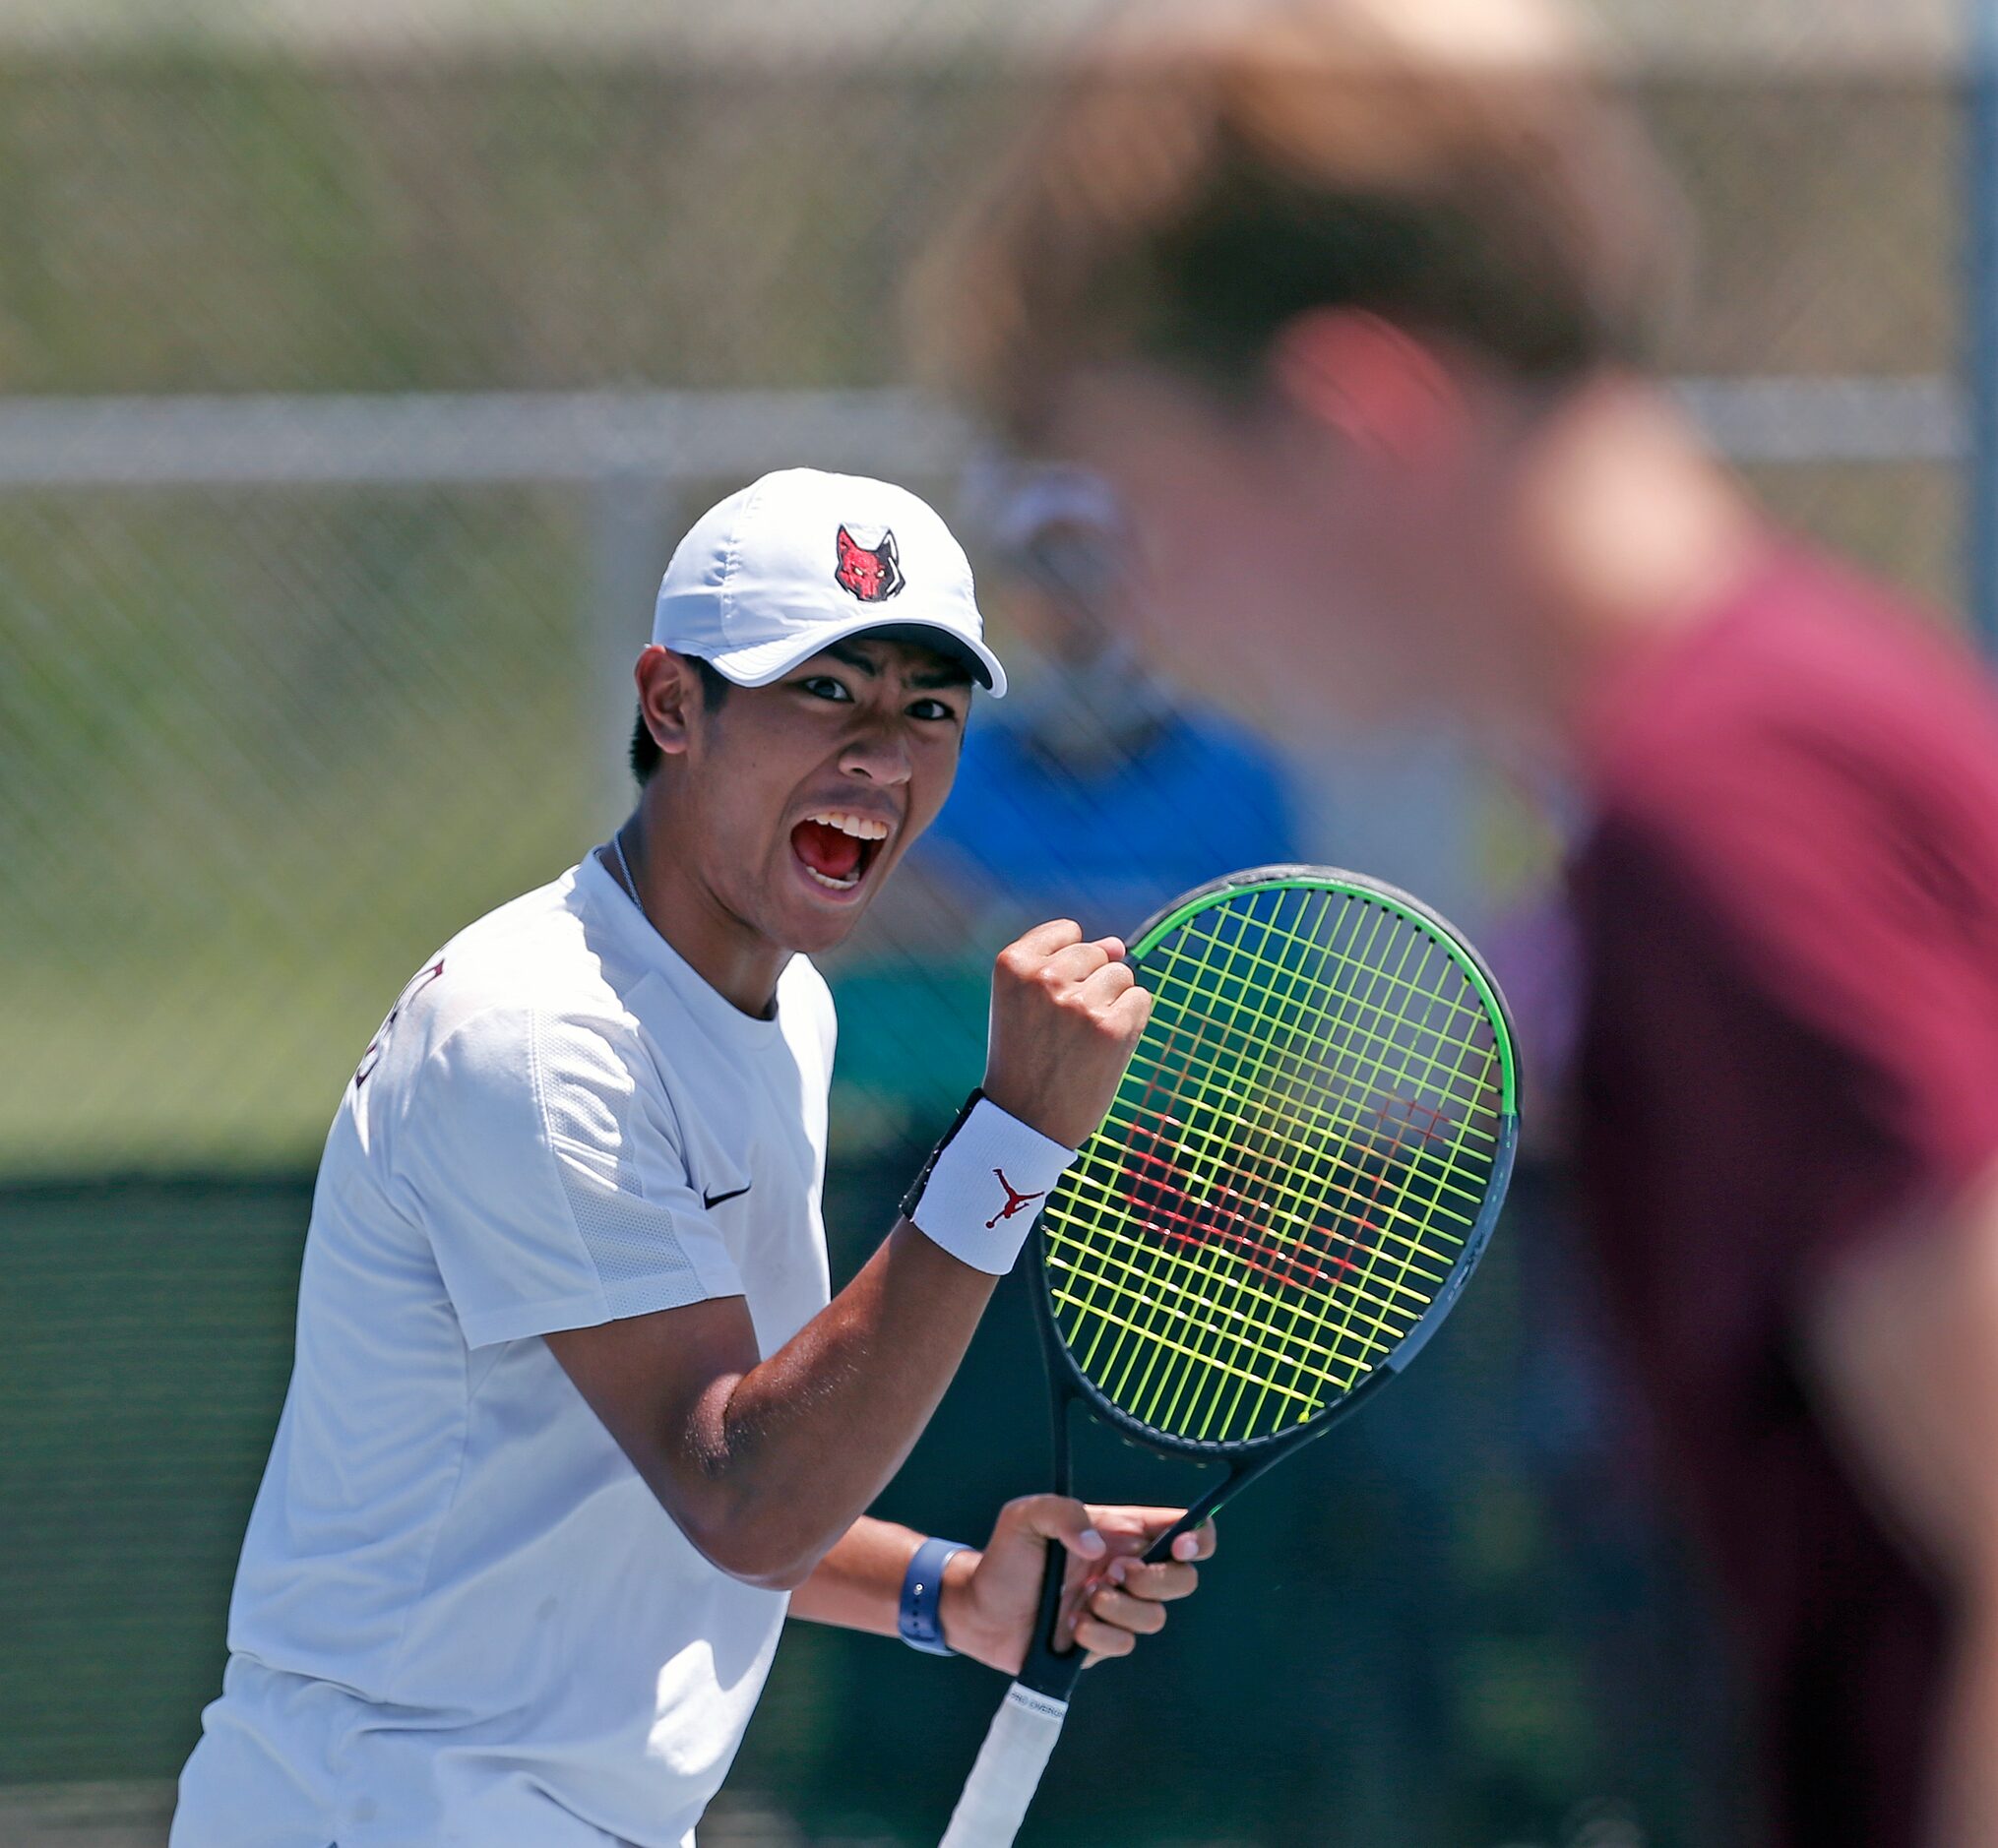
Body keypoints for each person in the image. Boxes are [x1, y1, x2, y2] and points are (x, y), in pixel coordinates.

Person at [920, 6, 1998, 1845]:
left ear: (1357, 419)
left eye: (1156, 509)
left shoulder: (1729, 803)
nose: (1153, 606)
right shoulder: (1743, 752)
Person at [170, 467, 1213, 1848]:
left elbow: (711, 1464)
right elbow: (742, 1496)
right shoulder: (539, 1038)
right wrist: (1012, 1140)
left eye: (928, 709)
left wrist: (946, 1591)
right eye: (825, 692)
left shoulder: (791, 1008)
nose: (883, 758)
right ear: (672, 703)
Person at [913, 463, 1297, 939]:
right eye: (1043, 566)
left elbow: (1265, 968)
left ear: (1142, 581)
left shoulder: (1240, 784)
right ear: (1008, 595)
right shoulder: (945, 773)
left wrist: (1006, 919)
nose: (1070, 591)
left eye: (1091, 561)